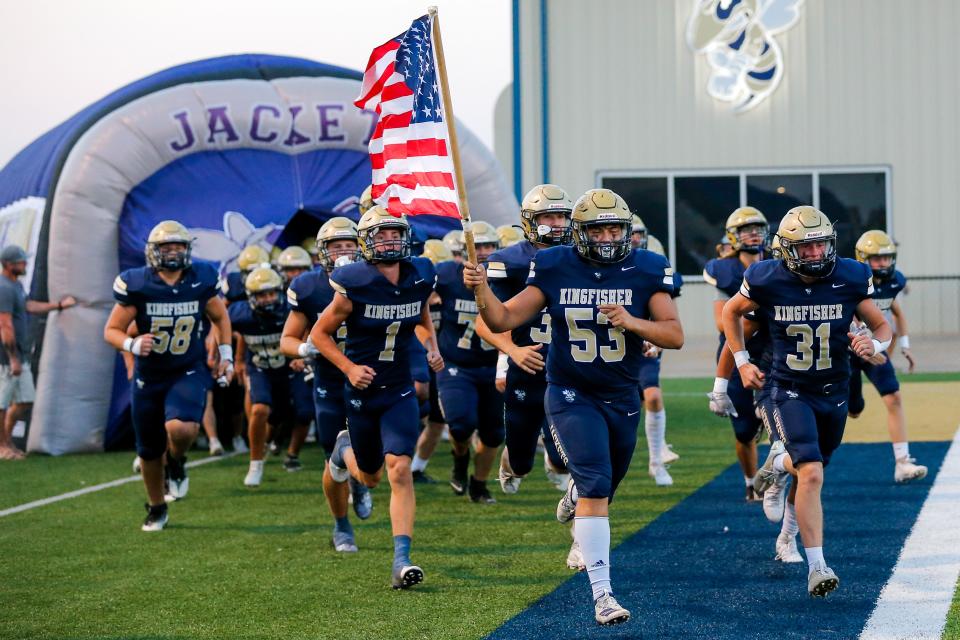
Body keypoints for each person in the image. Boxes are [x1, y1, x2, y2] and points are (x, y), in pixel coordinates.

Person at [464, 188, 683, 626]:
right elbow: (503, 319)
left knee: (605, 485)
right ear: (580, 234)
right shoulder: (554, 264)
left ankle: (575, 493)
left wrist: (632, 321)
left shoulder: (646, 268)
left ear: (627, 230)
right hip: (569, 391)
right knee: (598, 484)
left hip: (621, 394)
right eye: (597, 228)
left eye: (614, 228)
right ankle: (603, 595)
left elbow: (673, 334)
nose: (606, 236)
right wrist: (483, 292)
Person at [724, 206, 892, 597]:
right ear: (786, 249)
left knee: (808, 472)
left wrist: (876, 342)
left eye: (821, 244)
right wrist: (742, 362)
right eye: (807, 246)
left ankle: (778, 465)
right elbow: (731, 313)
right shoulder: (765, 277)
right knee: (812, 471)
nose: (816, 253)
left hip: (833, 388)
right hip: (787, 387)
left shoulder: (850, 274)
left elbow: (882, 324)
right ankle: (818, 565)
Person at [311, 206, 443, 589]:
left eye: (394, 233)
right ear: (367, 242)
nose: (389, 240)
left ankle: (402, 560)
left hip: (399, 387)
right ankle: (342, 451)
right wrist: (349, 368)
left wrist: (431, 346)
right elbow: (319, 335)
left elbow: (419, 315)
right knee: (369, 477)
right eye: (381, 234)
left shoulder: (420, 273)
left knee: (399, 469)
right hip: (362, 391)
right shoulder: (354, 281)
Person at [104, 221, 234, 531]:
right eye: (166, 247)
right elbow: (111, 330)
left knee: (183, 429)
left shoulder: (201, 278)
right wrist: (132, 343)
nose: (173, 252)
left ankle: (176, 460)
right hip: (150, 373)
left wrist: (226, 354)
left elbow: (220, 316)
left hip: (187, 367)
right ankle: (157, 506)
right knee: (148, 449)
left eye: (178, 246)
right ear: (153, 251)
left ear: (187, 249)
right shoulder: (138, 283)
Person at [475, 184, 573, 497]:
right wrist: (511, 352)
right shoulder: (510, 261)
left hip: (570, 367)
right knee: (521, 460)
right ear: (530, 219)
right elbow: (485, 322)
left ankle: (556, 465)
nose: (557, 223)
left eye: (562, 216)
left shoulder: (581, 258)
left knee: (563, 457)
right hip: (528, 366)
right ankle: (510, 465)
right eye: (549, 216)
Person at [281, 216, 371, 552]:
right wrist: (306, 348)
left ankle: (360, 483)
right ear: (323, 252)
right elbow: (287, 340)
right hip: (330, 381)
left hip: (370, 379)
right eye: (337, 246)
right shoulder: (309, 287)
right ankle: (341, 525)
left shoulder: (375, 278)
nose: (345, 251)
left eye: (350, 245)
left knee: (369, 455)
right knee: (331, 457)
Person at [703, 207, 770, 501]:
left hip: (773, 350)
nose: (754, 234)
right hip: (736, 351)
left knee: (785, 415)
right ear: (734, 235)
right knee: (743, 431)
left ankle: (777, 475)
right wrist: (754, 315)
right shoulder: (725, 270)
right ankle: (750, 480)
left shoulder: (777, 263)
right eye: (746, 230)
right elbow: (723, 323)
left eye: (758, 228)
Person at [849, 230, 926, 483]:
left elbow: (896, 312)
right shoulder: (851, 279)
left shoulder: (895, 281)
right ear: (862, 258)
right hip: (846, 351)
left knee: (893, 397)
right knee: (853, 410)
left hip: (876, 349)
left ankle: (902, 462)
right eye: (876, 259)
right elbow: (847, 314)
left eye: (887, 258)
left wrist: (905, 346)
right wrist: (864, 346)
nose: (883, 264)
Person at [434, 221, 503, 503]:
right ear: (463, 252)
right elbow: (416, 295)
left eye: (489, 246)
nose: (484, 252)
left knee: (494, 433)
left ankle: (479, 484)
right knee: (461, 425)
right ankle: (460, 459)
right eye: (479, 246)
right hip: (456, 365)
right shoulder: (447, 275)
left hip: (492, 364)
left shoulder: (506, 278)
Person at [0, 245, 77, 459]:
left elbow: (30, 306)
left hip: (19, 356)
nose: (25, 264)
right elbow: (4, 325)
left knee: (25, 400)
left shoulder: (15, 286)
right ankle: (2, 446)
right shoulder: (4, 288)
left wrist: (60, 306)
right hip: (7, 358)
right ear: (9, 265)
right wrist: (12, 358)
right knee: (2, 403)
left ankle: (5, 440)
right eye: (21, 261)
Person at [630, 220, 683, 486]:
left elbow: (670, 316)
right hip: (610, 347)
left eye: (638, 234)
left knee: (652, 395)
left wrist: (658, 340)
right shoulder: (600, 267)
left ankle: (656, 460)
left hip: (646, 343)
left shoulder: (653, 264)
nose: (633, 239)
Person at [229, 267, 293, 487]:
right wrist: (228, 356)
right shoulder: (241, 314)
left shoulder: (290, 311)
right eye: (261, 295)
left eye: (271, 293)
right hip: (259, 368)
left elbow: (308, 326)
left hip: (287, 370)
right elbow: (220, 323)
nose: (267, 299)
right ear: (250, 296)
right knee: (259, 409)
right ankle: (255, 463)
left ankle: (266, 442)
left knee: (281, 415)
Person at [410, 239, 453, 484]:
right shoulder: (412, 290)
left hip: (440, 361)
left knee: (438, 419)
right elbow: (417, 325)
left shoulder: (451, 291)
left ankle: (416, 468)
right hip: (412, 359)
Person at [274, 246, 316, 470]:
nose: (295, 274)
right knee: (271, 406)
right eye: (290, 270)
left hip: (301, 355)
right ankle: (274, 439)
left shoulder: (311, 291)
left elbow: (316, 325)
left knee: (304, 409)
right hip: (270, 359)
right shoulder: (269, 291)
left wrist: (303, 350)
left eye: (300, 269)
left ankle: (292, 453)